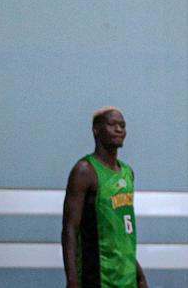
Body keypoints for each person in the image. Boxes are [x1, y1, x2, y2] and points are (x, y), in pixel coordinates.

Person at [61, 107, 148, 288]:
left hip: (127, 277)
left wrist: (139, 275)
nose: (119, 129)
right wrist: (72, 279)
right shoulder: (85, 171)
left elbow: (121, 234)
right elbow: (70, 228)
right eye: (112, 124)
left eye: (122, 125)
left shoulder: (127, 173)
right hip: (98, 277)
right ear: (96, 130)